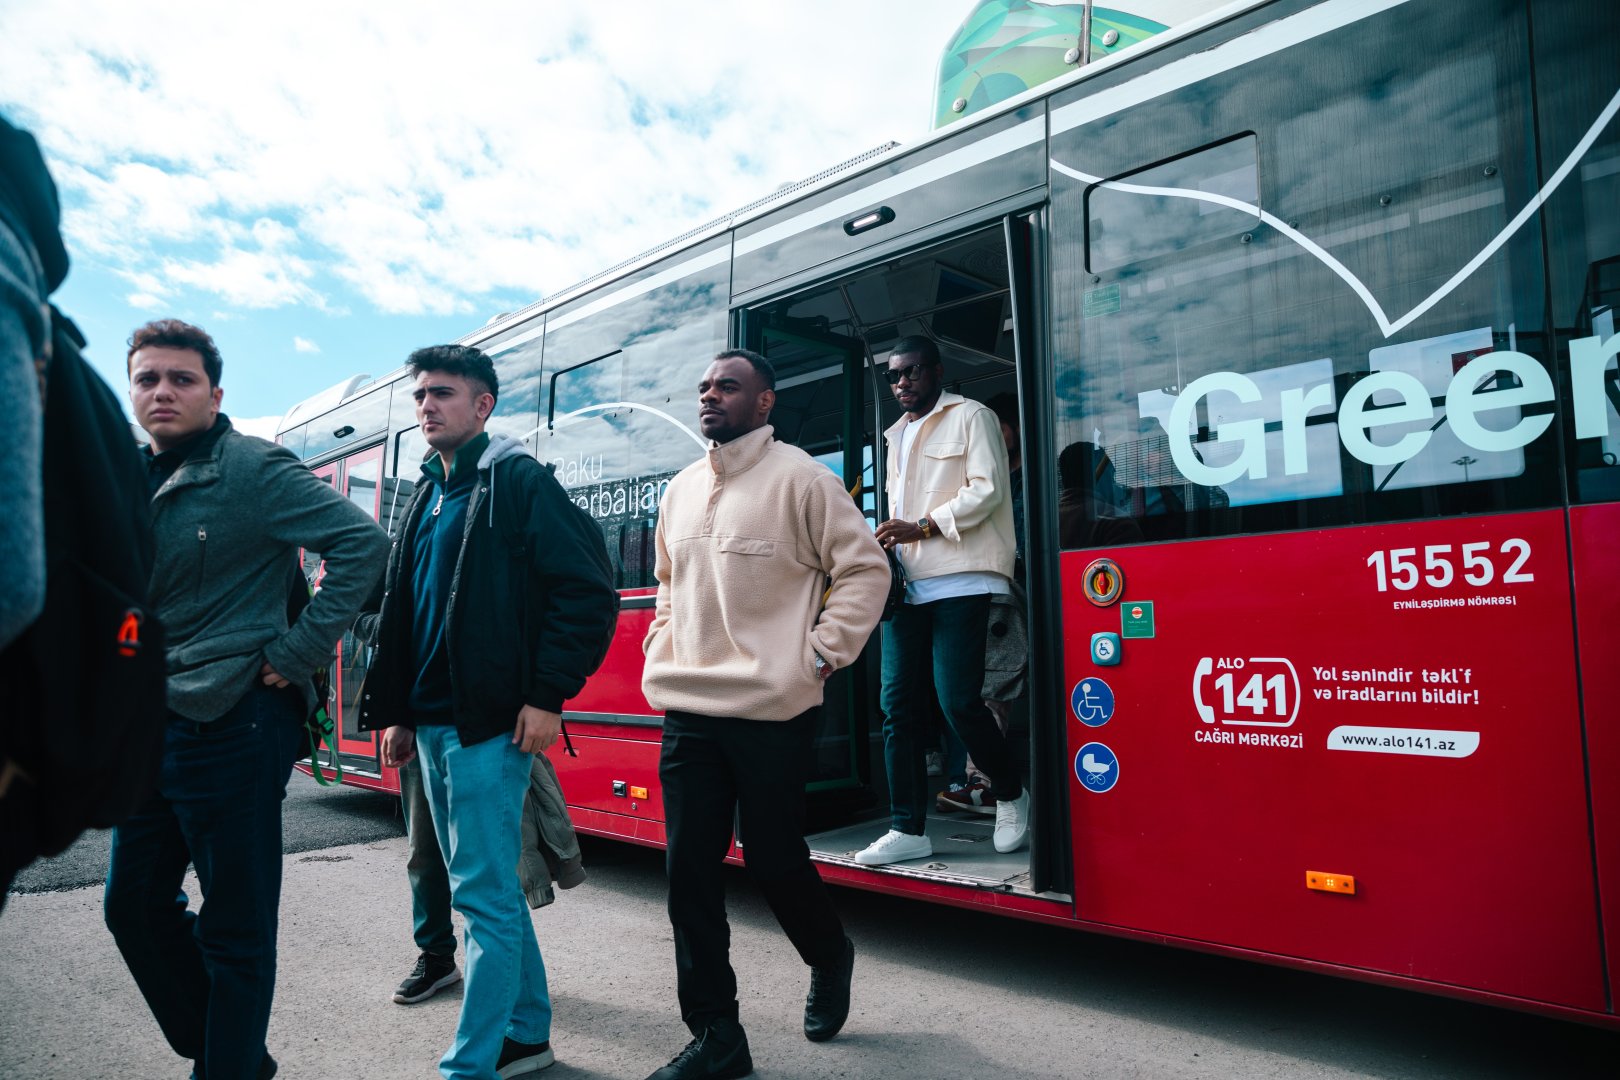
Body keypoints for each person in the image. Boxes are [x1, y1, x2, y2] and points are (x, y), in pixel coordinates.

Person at [103, 319, 390, 1080]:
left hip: (234, 721)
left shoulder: (254, 469)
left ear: (214, 392)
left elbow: (364, 546)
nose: (162, 390)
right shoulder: (126, 478)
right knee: (130, 908)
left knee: (235, 927)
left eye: (181, 378)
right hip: (148, 725)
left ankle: (225, 1069)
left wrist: (298, 651)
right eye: (147, 378)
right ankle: (234, 1059)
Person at [357, 344, 617, 1080]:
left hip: (490, 727)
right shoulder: (429, 493)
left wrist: (546, 695)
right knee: (489, 890)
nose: (426, 407)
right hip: (434, 725)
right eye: (419, 396)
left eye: (442, 393)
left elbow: (586, 594)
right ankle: (526, 1035)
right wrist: (401, 713)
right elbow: (406, 612)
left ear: (483, 405)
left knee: (481, 897)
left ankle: (469, 1066)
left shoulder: (517, 482)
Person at [640, 349, 889, 1080]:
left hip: (775, 709)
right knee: (689, 874)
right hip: (690, 707)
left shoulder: (805, 480)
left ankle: (830, 955)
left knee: (776, 861)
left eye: (728, 385)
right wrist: (664, 636)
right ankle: (718, 1036)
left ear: (766, 403)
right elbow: (664, 582)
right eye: (704, 385)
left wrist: (818, 653)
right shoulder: (681, 488)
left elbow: (866, 569)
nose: (710, 395)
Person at [856, 336, 1028, 867]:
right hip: (908, 584)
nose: (902, 382)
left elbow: (988, 491)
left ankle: (1008, 791)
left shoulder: (971, 416)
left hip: (963, 577)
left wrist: (922, 527)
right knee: (897, 709)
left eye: (911, 371)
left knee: (957, 701)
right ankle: (907, 828)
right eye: (893, 375)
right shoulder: (894, 436)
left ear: (936, 371)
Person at [389, 748, 587, 1006]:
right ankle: (437, 957)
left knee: (494, 862)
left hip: (481, 735)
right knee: (424, 853)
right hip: (422, 735)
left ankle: (506, 975)